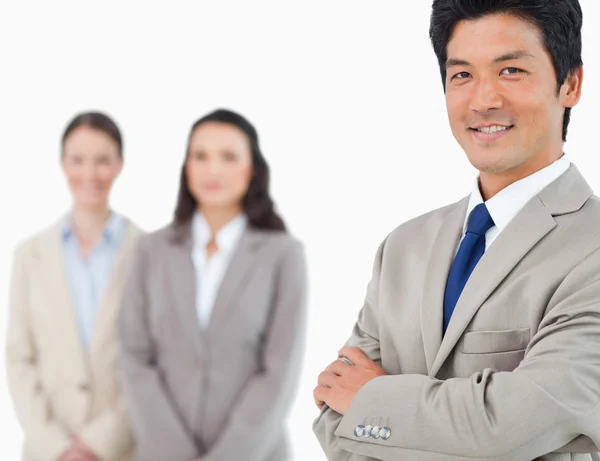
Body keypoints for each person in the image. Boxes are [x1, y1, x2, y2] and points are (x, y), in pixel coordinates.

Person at [313, 1, 600, 460]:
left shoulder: (593, 251)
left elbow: (508, 428)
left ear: (570, 83)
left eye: (510, 70)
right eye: (462, 75)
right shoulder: (402, 247)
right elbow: (332, 413)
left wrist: (372, 403)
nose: (483, 99)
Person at [119, 108, 307, 461]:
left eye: (228, 156)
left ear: (252, 168)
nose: (213, 169)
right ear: (186, 167)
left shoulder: (284, 255)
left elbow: (279, 372)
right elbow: (134, 359)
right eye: (200, 156)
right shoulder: (150, 251)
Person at [6, 111, 142, 461]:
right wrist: (58, 448)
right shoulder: (29, 256)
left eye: (102, 160)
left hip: (124, 449)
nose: (90, 174)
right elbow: (20, 358)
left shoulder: (148, 252)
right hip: (47, 451)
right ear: (63, 164)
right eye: (78, 160)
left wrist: (99, 443)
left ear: (119, 165)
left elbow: (155, 359)